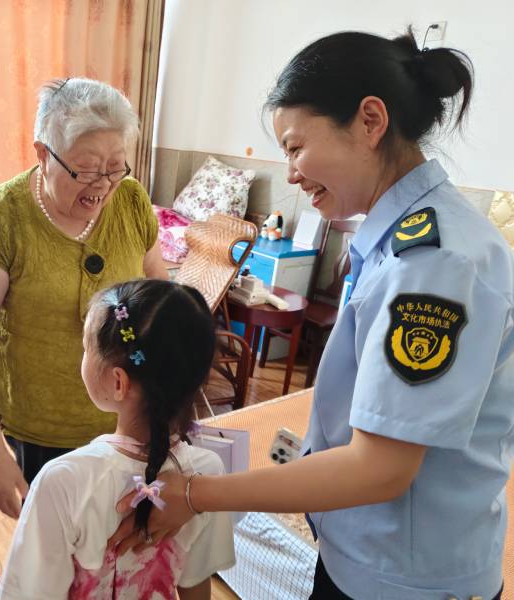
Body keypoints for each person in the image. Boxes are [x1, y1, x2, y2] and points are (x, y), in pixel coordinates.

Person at [109, 28, 514, 600]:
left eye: (296, 147)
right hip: (366, 553)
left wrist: (196, 494)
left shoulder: (434, 263)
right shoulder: (398, 240)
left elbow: (381, 468)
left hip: (403, 579)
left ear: (370, 121)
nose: (292, 175)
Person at [0, 78, 167, 518]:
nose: (103, 184)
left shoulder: (131, 201)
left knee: (121, 537)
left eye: (115, 166)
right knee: (55, 544)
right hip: (41, 428)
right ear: (42, 154)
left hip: (129, 419)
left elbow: (159, 293)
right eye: (86, 169)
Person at [0, 279, 234, 599]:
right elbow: (196, 583)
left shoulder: (64, 481)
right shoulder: (207, 474)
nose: (83, 355)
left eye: (86, 348)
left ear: (118, 383)